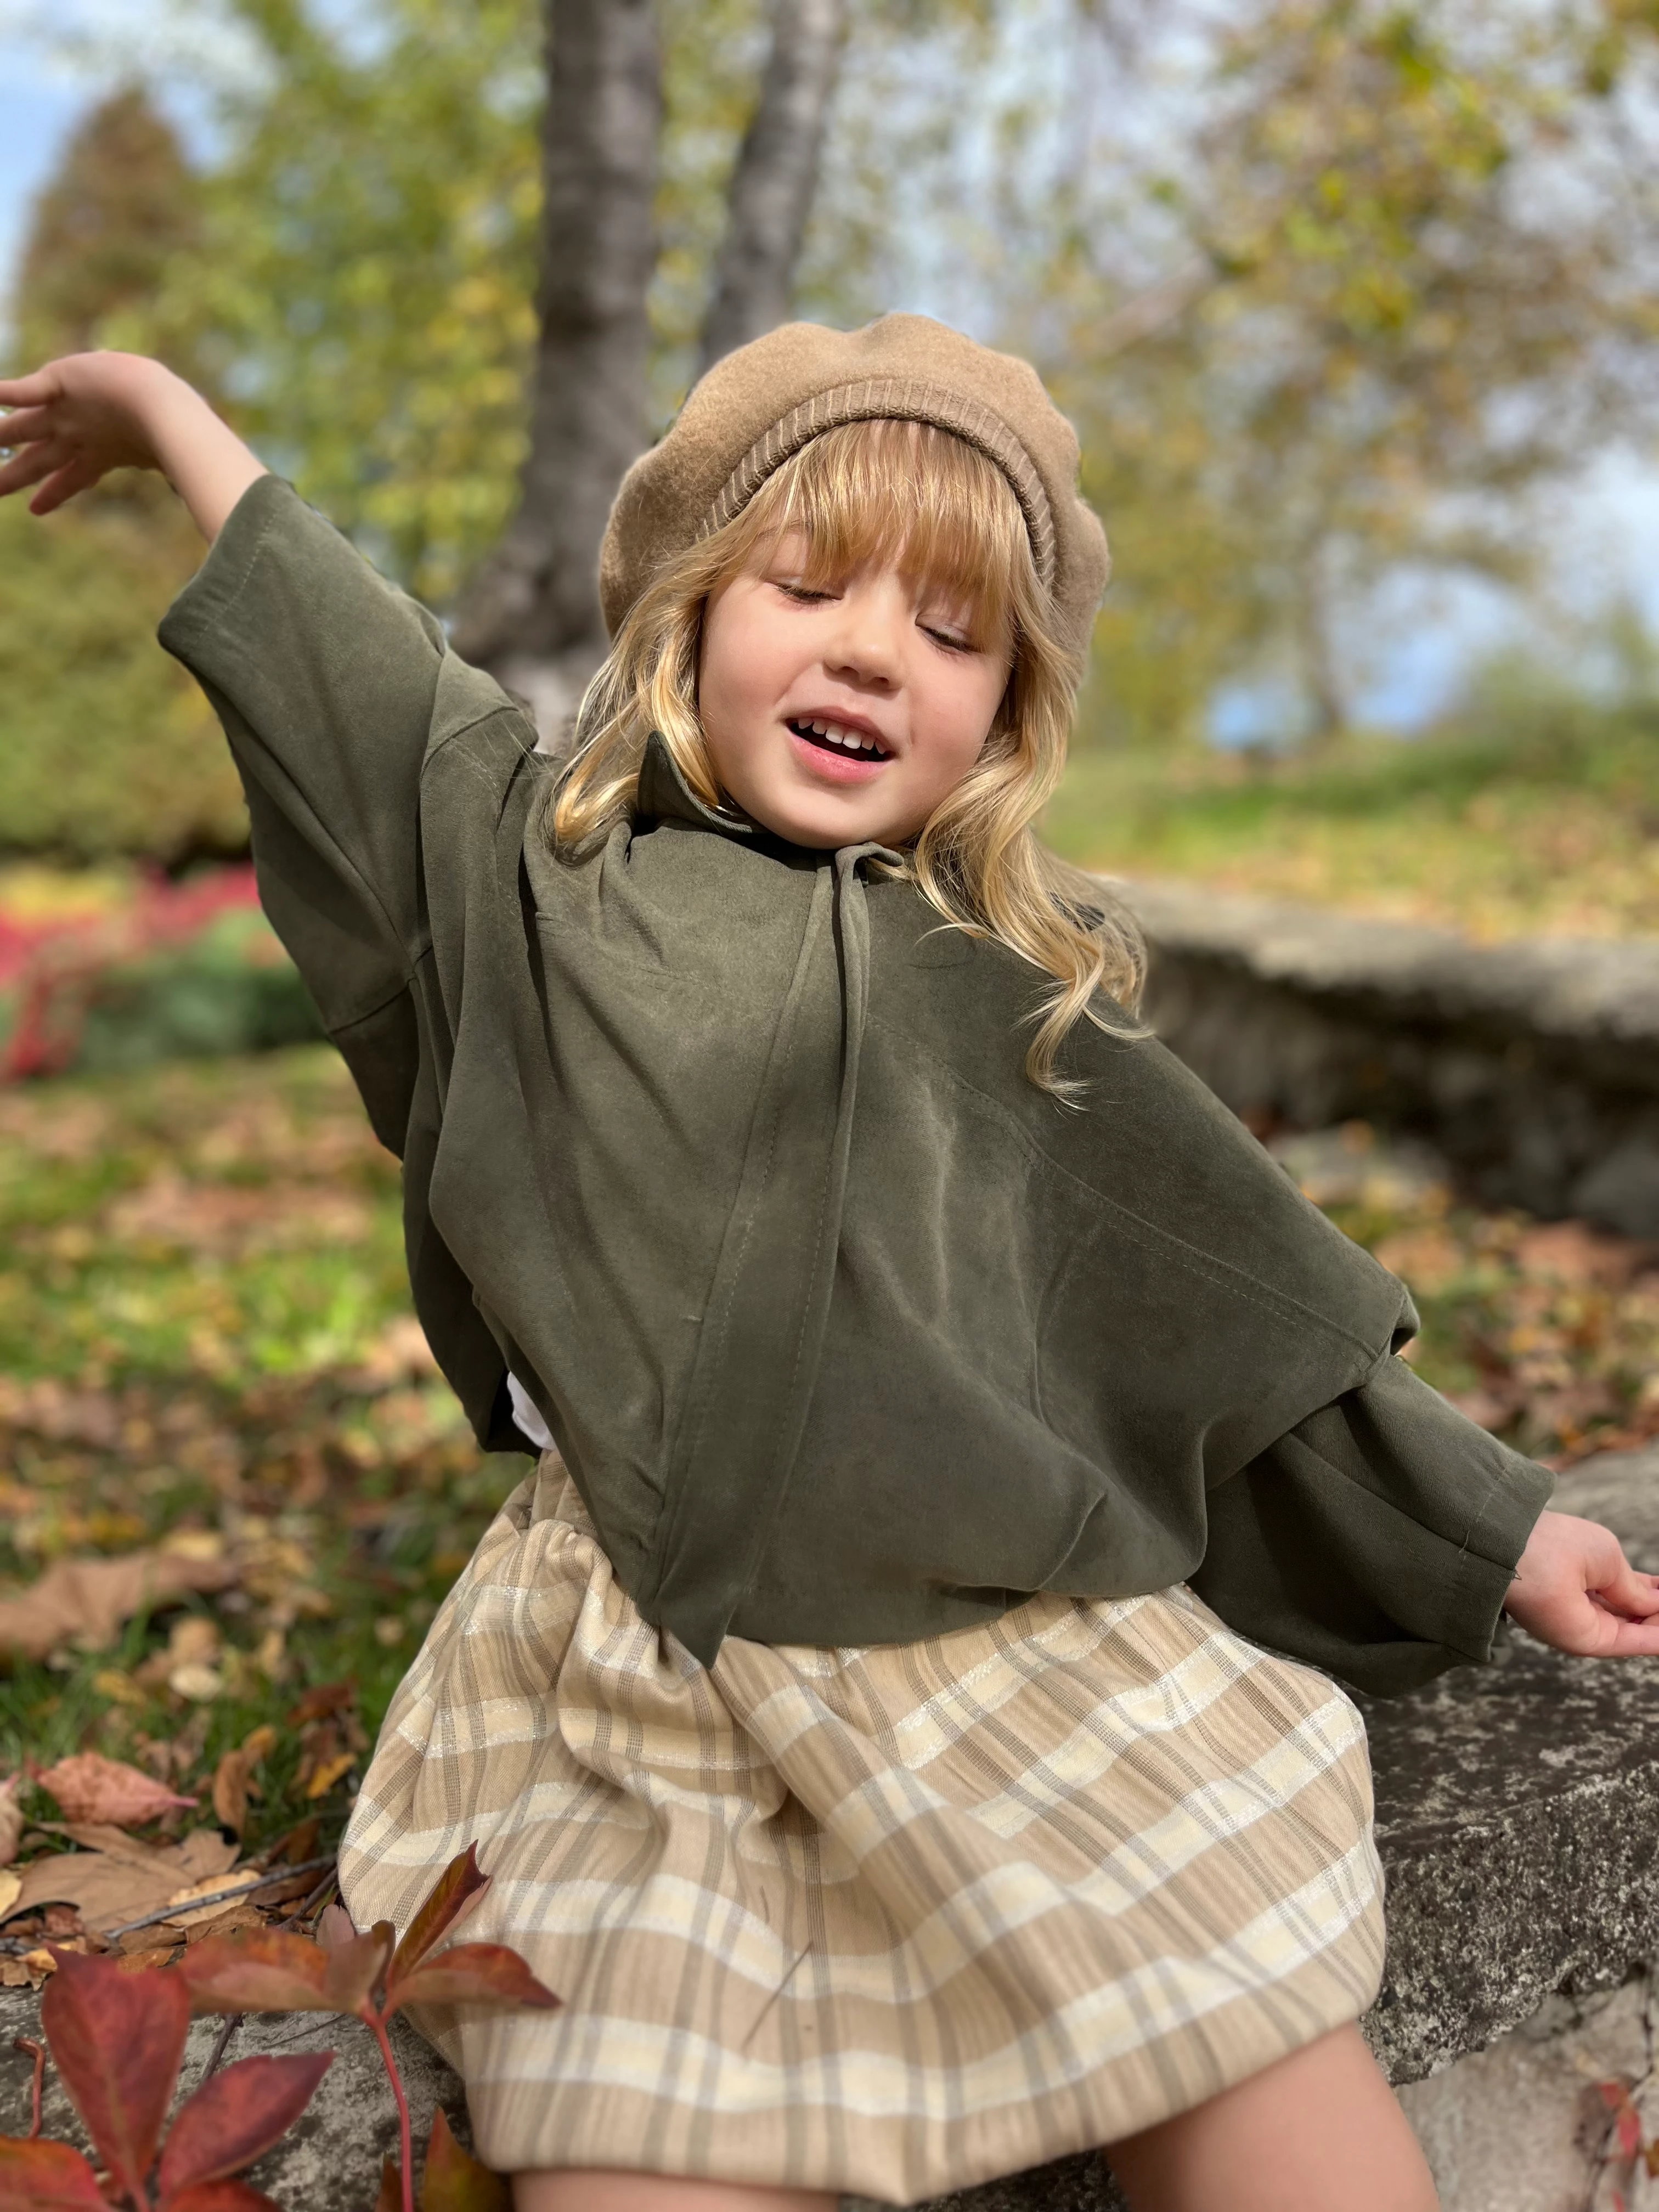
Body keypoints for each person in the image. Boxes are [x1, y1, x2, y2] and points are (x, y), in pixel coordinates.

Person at [4, 322, 1657, 2212]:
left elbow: (1237, 1307)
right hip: (653, 1694)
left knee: (1252, 2033)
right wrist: (165, 418)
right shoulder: (534, 892)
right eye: (808, 584)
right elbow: (360, 687)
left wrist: (1495, 1527)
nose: (876, 647)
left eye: (956, 633)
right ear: (692, 619)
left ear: (1006, 711)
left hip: (1012, 1654)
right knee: (646, 2122)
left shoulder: (1006, 1007)